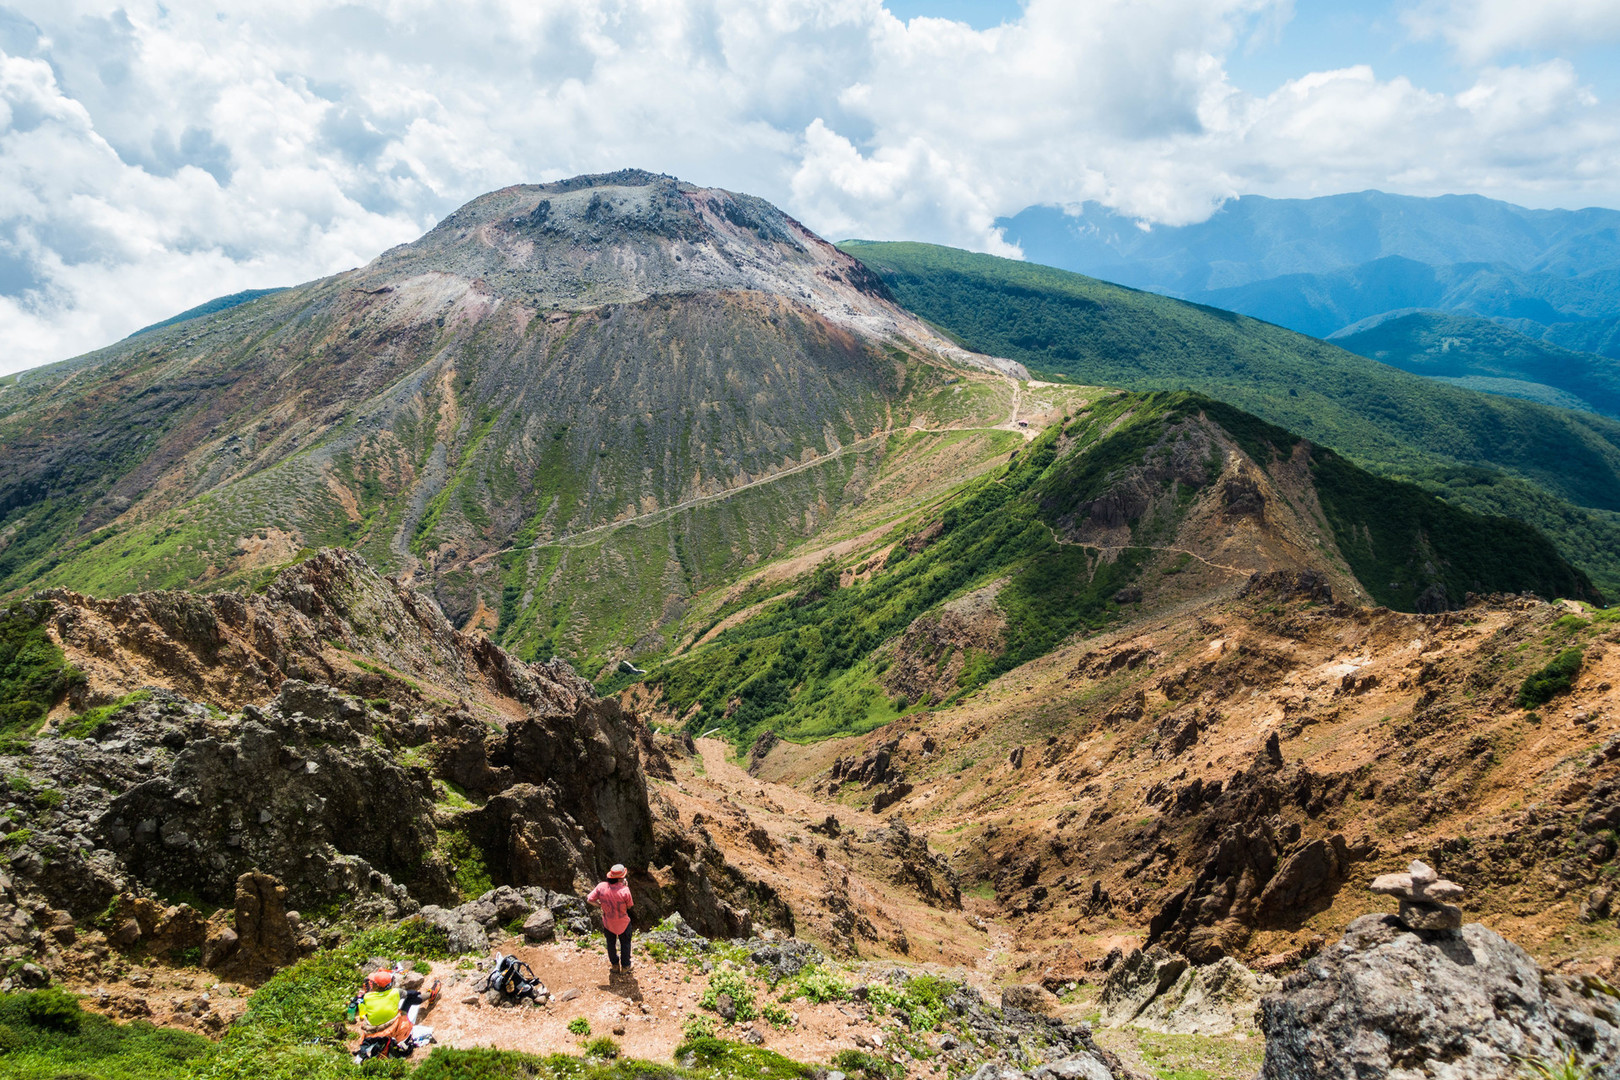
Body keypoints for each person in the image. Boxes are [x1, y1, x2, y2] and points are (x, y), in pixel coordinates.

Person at [586, 863, 634, 972]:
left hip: (608, 922)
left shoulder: (601, 886)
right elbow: (630, 906)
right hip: (623, 922)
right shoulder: (625, 890)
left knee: (610, 944)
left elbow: (589, 899)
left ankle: (615, 965)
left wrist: (600, 905)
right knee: (625, 944)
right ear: (621, 878)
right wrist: (625, 886)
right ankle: (626, 966)